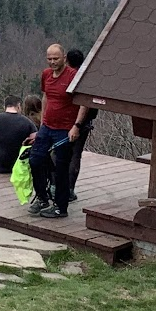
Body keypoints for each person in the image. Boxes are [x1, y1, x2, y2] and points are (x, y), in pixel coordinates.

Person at [29, 42, 81, 218]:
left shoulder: (73, 76)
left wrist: (77, 126)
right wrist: (42, 121)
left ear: (64, 58)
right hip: (47, 127)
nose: (52, 62)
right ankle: (42, 198)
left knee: (61, 168)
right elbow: (45, 96)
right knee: (35, 160)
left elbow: (83, 103)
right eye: (49, 59)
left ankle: (61, 207)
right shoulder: (46, 75)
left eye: (55, 58)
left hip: (65, 129)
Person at [65, 47, 98, 202]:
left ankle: (59, 187)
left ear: (67, 60)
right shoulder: (87, 78)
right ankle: (70, 189)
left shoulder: (67, 77)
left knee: (62, 154)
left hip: (70, 121)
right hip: (84, 124)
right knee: (75, 154)